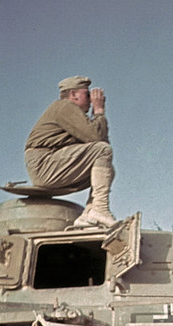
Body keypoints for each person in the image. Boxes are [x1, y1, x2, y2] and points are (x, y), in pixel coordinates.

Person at [25, 75, 116, 227]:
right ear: (73, 95)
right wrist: (99, 110)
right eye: (87, 95)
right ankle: (99, 208)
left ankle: (89, 213)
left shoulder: (72, 114)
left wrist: (97, 115)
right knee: (102, 151)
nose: (90, 99)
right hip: (43, 163)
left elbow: (101, 144)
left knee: (105, 168)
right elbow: (97, 139)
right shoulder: (65, 107)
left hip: (50, 162)